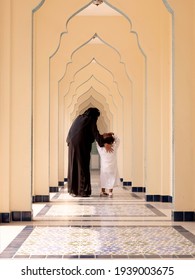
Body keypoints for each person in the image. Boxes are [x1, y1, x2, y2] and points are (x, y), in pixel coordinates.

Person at [66, 107, 113, 197]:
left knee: (74, 165)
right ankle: (83, 191)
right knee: (83, 166)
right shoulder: (90, 120)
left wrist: (101, 136)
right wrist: (104, 143)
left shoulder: (79, 117)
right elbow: (95, 134)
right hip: (81, 144)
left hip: (71, 143)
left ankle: (74, 190)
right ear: (94, 115)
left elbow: (74, 131)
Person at [96, 133, 120, 198]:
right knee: (111, 179)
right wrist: (112, 134)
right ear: (112, 142)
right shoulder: (114, 147)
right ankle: (110, 192)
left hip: (104, 168)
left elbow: (97, 142)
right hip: (112, 168)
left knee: (103, 179)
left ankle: (102, 191)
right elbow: (118, 140)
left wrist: (103, 136)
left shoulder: (101, 149)